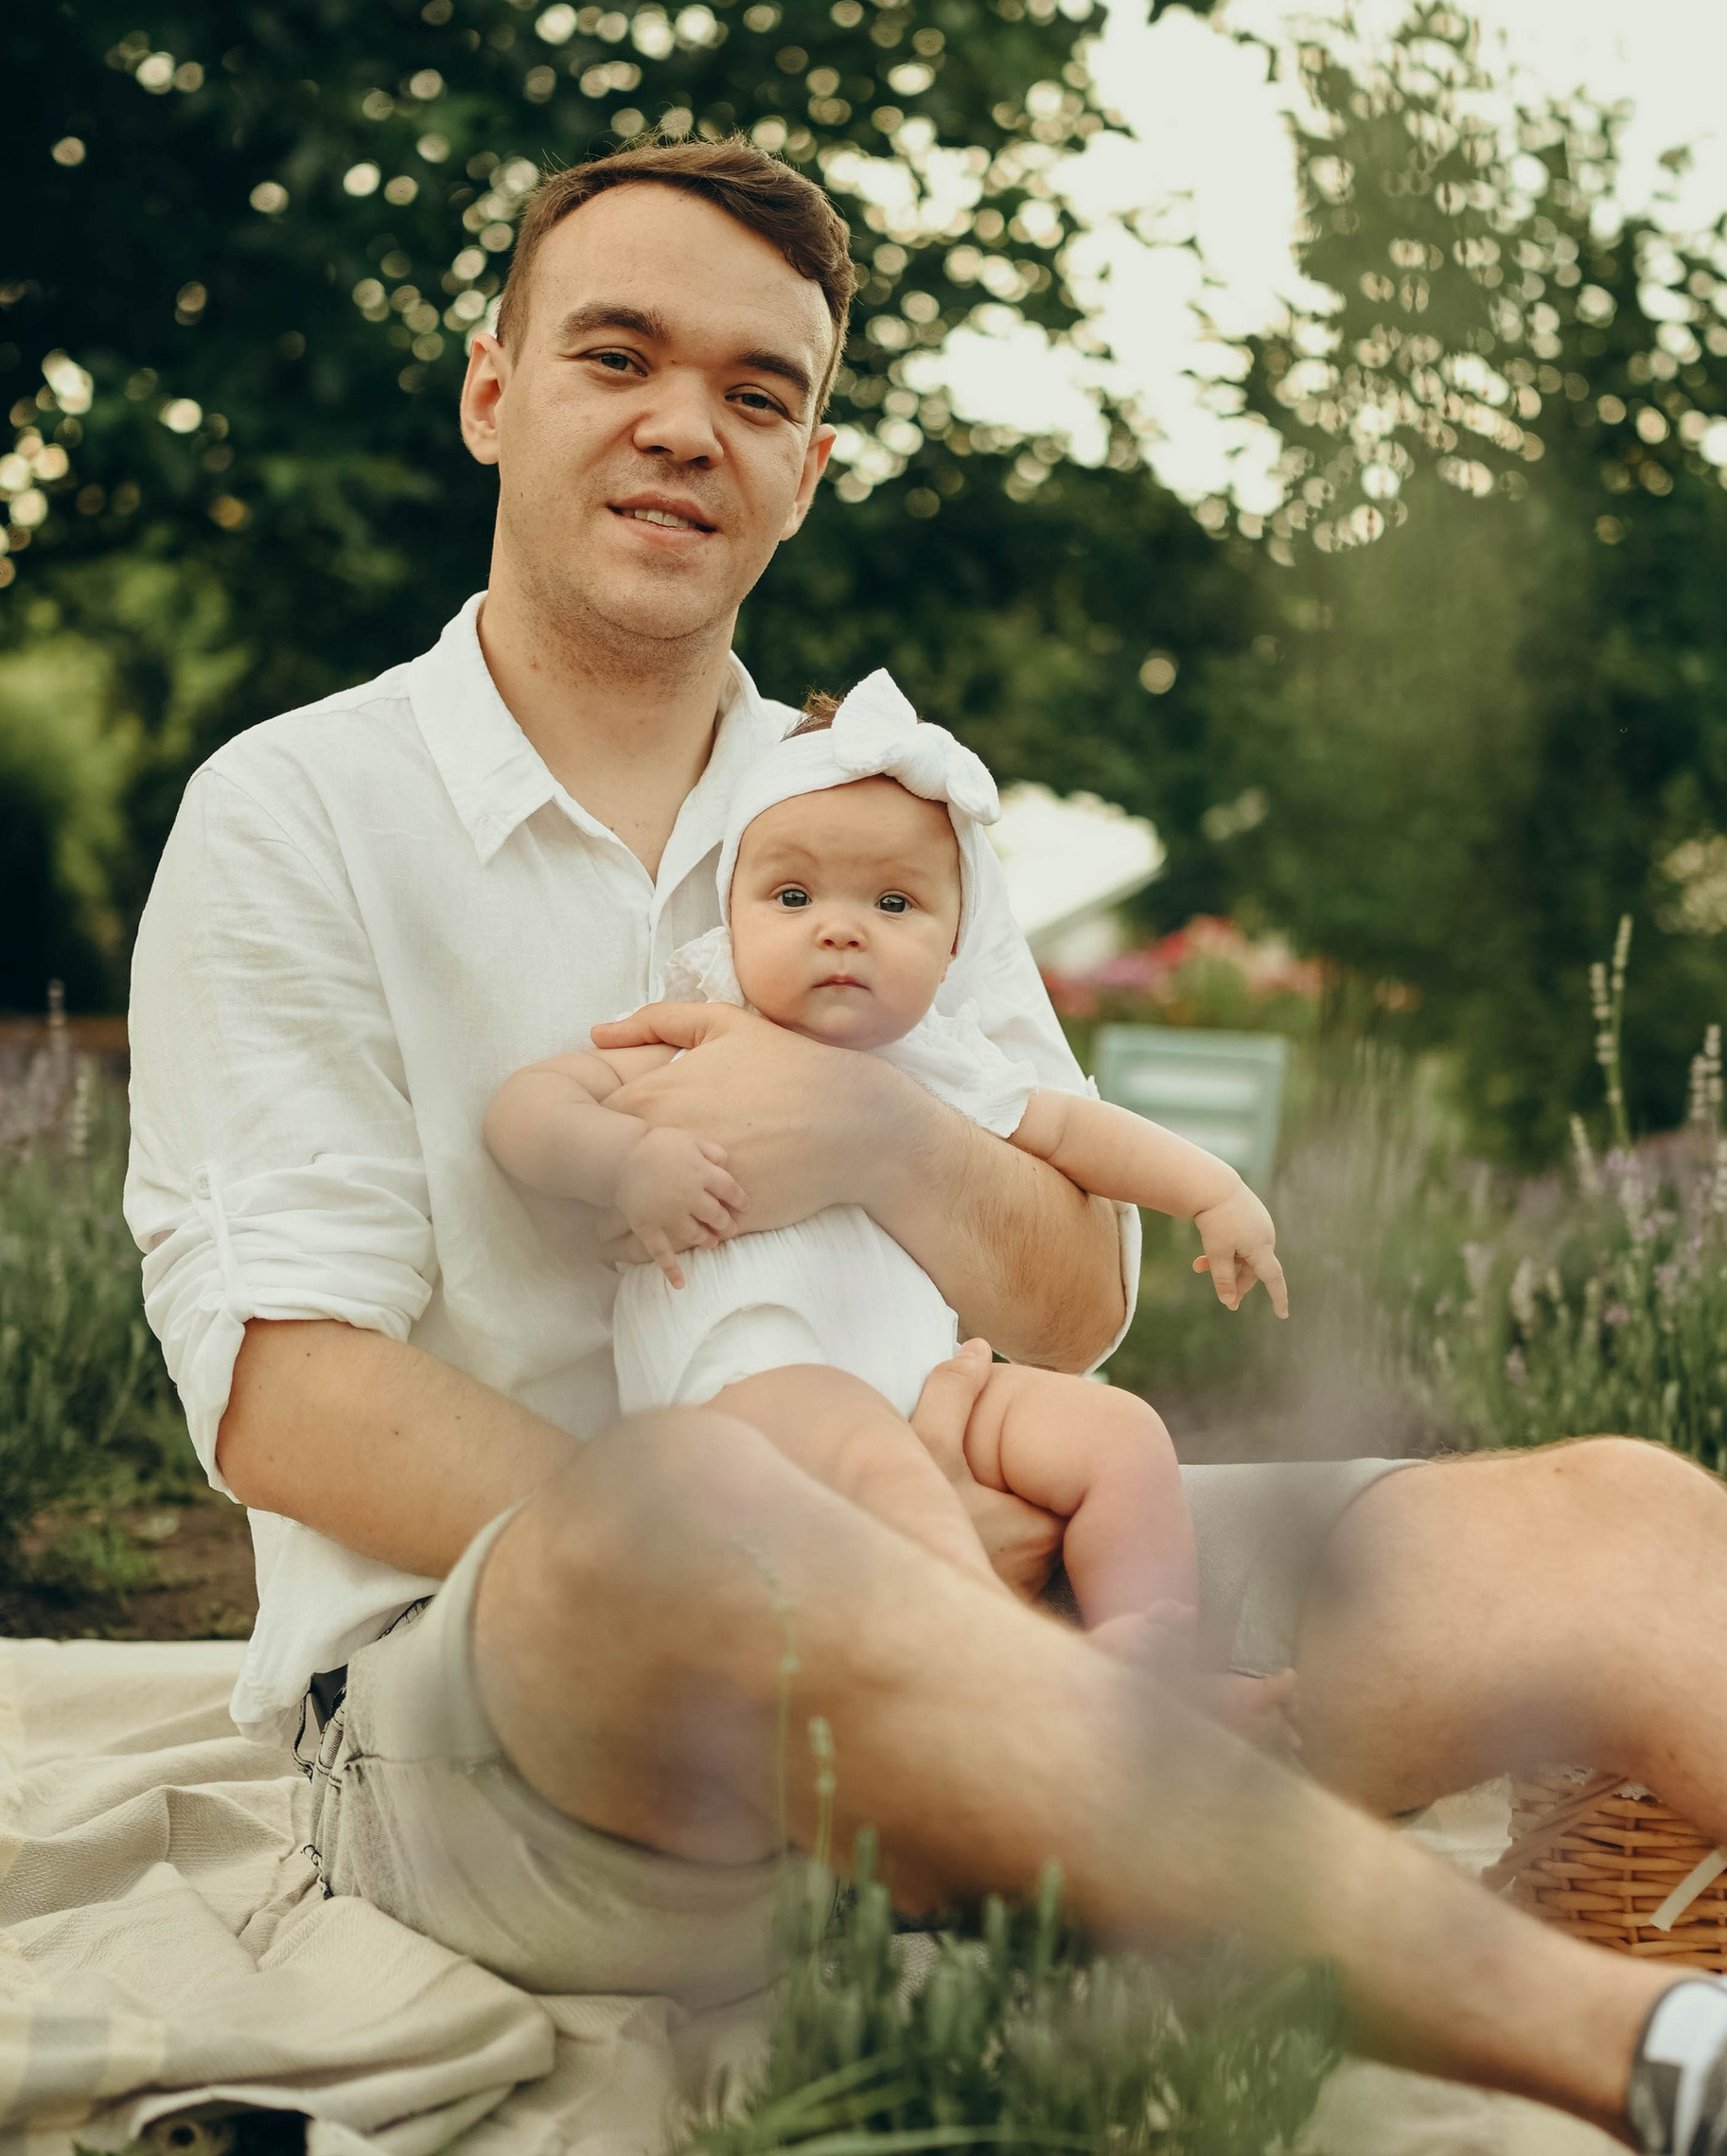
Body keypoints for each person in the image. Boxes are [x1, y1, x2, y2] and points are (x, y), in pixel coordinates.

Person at [127, 133, 1727, 2156]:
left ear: (808, 461)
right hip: (524, 1702)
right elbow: (286, 1391)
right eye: (618, 353)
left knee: (1598, 1510)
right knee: (715, 1506)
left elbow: (1071, 1308)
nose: (687, 420)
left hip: (1007, 1575)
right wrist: (821, 1554)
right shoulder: (294, 812)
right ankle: (1716, 2088)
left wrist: (887, 1137)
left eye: (759, 387)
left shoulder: (888, 811)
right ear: (493, 390)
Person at [483, 663, 1285, 1675]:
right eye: (791, 893)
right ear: (730, 914)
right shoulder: (700, 1035)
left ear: (953, 946)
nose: (840, 926)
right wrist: (623, 1160)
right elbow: (526, 1109)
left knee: (1118, 1435)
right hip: (754, 1388)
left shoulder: (944, 1064)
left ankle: (1155, 1662)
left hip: (927, 1379)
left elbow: (1079, 1134)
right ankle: (1023, 1679)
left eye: (893, 901)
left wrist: (1212, 1191)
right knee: (870, 1453)